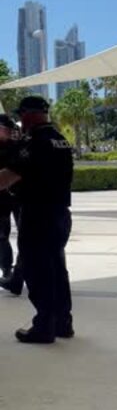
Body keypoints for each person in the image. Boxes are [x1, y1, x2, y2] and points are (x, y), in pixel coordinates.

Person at [0, 96, 74, 344]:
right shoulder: (59, 139)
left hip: (38, 213)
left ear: (30, 115)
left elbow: (7, 178)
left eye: (21, 115)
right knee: (56, 269)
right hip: (60, 213)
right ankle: (63, 321)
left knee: (37, 270)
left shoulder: (35, 142)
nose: (20, 121)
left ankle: (44, 326)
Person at [0, 115, 24, 295]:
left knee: (26, 237)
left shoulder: (18, 147)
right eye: (6, 128)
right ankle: (7, 271)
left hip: (18, 196)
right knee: (1, 236)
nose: (10, 131)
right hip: (1, 198)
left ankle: (17, 275)